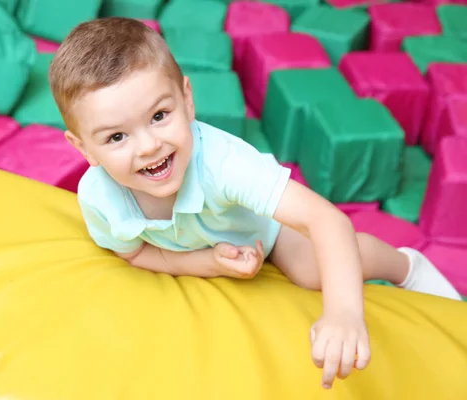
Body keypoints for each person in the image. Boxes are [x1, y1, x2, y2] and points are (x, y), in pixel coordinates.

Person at [48, 17, 462, 390]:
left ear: (187, 101)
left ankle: (404, 265)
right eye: (116, 137)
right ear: (83, 148)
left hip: (267, 230)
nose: (149, 146)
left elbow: (326, 220)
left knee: (308, 268)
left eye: (159, 116)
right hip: (212, 246)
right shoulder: (100, 199)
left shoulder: (224, 165)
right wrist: (209, 263)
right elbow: (136, 255)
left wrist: (344, 313)